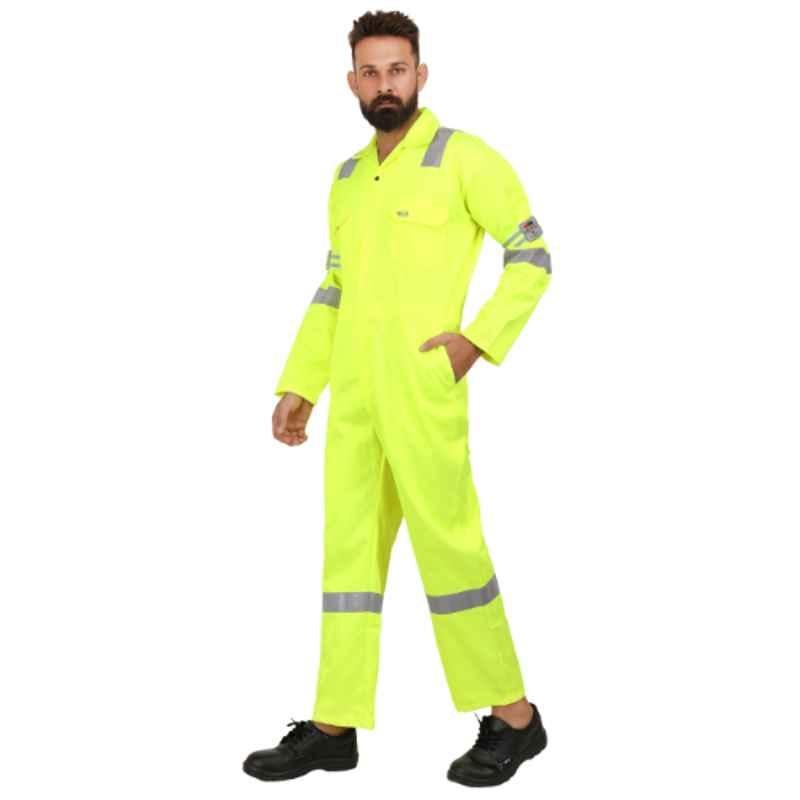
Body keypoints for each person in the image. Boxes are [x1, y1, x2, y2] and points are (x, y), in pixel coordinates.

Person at [243, 9, 552, 788]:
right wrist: (300, 383)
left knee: (452, 554)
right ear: (352, 81)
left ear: (421, 74)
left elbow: (532, 256)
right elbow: (335, 287)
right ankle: (333, 726)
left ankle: (516, 718)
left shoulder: (464, 158)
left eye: (398, 69)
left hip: (421, 392)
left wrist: (474, 342)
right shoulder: (347, 178)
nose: (386, 84)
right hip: (354, 398)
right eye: (371, 72)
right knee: (348, 560)